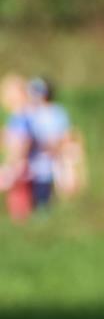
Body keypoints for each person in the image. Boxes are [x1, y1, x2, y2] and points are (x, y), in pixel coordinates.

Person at [24, 77, 71, 212]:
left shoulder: (57, 112)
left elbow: (65, 135)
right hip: (34, 161)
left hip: (55, 160)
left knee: (53, 192)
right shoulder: (30, 112)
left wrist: (53, 146)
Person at [1, 73, 34, 221]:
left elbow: (22, 140)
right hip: (19, 160)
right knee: (18, 195)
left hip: (19, 161)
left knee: (18, 196)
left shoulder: (20, 116)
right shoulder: (21, 115)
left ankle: (21, 222)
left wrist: (14, 161)